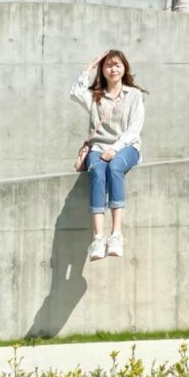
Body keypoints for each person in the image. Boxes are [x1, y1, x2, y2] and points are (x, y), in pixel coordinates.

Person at [70, 50, 147, 261]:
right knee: (96, 170)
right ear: (102, 70)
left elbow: (135, 128)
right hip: (98, 147)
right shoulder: (95, 95)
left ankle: (116, 234)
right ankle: (98, 238)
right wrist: (88, 68)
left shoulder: (133, 94)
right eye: (108, 66)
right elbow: (75, 92)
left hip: (127, 147)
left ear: (124, 68)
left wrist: (116, 148)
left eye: (117, 65)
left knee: (114, 167)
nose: (113, 69)